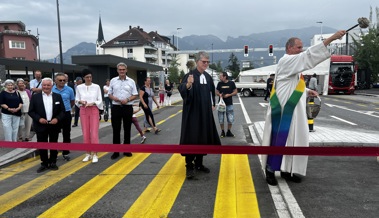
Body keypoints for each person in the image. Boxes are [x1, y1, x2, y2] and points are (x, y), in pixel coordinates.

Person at [261, 30, 346, 186]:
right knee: (279, 139)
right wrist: (332, 39)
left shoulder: (293, 67)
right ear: (289, 48)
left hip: (293, 111)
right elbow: (307, 57)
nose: (301, 50)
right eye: (299, 47)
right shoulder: (286, 61)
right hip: (282, 111)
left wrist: (307, 91)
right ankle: (271, 170)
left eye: (301, 47)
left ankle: (287, 169)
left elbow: (291, 84)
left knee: (293, 140)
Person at [179, 51, 221, 179]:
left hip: (205, 113)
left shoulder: (208, 77)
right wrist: (188, 84)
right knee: (192, 138)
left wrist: (213, 103)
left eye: (207, 62)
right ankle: (189, 166)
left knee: (202, 137)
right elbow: (183, 90)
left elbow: (211, 91)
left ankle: (199, 163)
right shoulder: (190, 76)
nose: (206, 64)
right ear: (197, 61)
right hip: (192, 114)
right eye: (204, 62)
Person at [28, 78, 65, 173]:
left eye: (48, 85)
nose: (46, 87)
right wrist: (39, 119)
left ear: (52, 86)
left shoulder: (58, 96)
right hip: (40, 125)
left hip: (54, 125)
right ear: (42, 86)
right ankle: (44, 163)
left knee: (53, 144)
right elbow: (31, 111)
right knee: (42, 145)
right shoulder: (35, 97)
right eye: (44, 85)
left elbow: (62, 111)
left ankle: (53, 162)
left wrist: (57, 119)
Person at [108, 62, 138, 159]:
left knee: (127, 129)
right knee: (116, 129)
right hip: (116, 107)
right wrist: (114, 98)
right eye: (120, 69)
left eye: (123, 69)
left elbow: (135, 94)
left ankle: (127, 150)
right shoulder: (113, 81)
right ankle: (116, 151)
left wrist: (128, 100)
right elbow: (109, 94)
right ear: (117, 70)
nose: (122, 71)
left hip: (127, 107)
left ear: (126, 70)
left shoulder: (131, 81)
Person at [75, 69, 103, 163]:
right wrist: (80, 102)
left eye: (90, 77)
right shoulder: (79, 87)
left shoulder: (97, 87)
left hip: (94, 109)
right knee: (85, 132)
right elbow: (76, 99)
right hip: (83, 110)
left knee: (94, 132)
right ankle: (87, 153)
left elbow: (100, 99)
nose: (89, 79)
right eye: (87, 77)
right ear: (83, 78)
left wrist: (93, 103)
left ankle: (95, 153)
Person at [52, 73, 75, 161]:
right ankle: (54, 153)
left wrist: (66, 108)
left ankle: (65, 152)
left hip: (66, 114)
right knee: (54, 134)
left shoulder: (70, 89)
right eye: (60, 80)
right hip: (55, 114)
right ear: (55, 81)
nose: (62, 82)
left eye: (64, 80)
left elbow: (72, 101)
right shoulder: (52, 89)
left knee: (66, 133)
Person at [216, 71, 238, 138]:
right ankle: (222, 132)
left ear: (225, 77)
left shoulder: (231, 83)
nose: (220, 78)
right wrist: (219, 94)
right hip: (221, 104)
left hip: (229, 103)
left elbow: (236, 91)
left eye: (221, 76)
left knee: (230, 119)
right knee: (221, 118)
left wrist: (229, 95)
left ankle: (229, 131)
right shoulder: (219, 83)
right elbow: (216, 91)